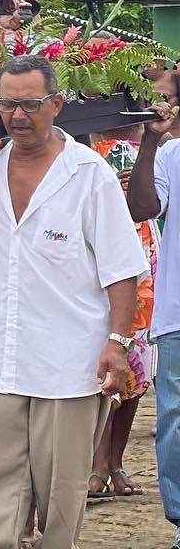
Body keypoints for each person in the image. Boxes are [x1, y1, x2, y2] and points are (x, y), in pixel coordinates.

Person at [0, 54, 148, 549]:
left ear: (57, 104)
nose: (18, 116)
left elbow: (121, 269)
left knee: (60, 492)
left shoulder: (87, 173)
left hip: (67, 363)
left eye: (31, 103)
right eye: (8, 104)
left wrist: (116, 343)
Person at [85, 124, 158, 497]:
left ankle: (115, 461)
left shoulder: (153, 128)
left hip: (145, 246)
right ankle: (96, 463)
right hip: (98, 252)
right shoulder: (83, 136)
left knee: (137, 363)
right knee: (101, 358)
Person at [125, 88, 180, 544]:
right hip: (178, 313)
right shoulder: (171, 153)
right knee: (175, 422)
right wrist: (149, 143)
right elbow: (142, 209)